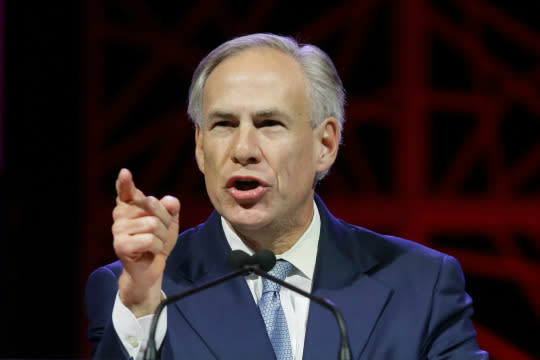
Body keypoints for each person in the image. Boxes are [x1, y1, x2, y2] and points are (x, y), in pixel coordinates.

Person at [85, 33, 489, 360]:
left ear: (325, 144)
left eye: (270, 123)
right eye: (224, 124)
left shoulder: (420, 283)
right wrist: (141, 306)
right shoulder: (138, 289)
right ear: (199, 145)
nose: (243, 148)